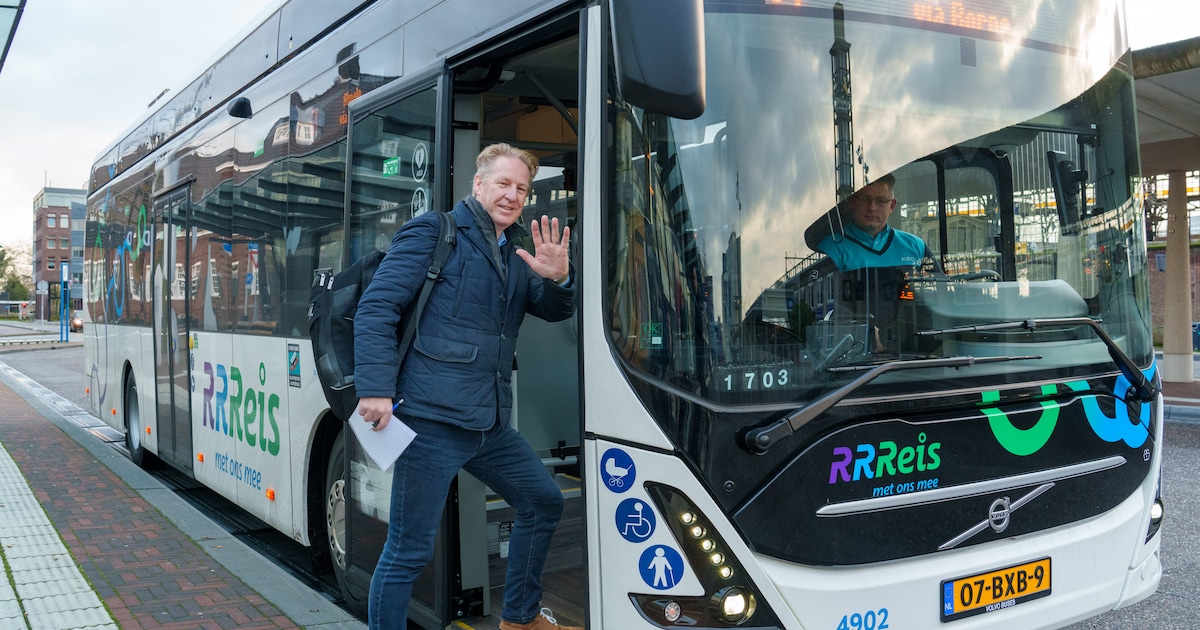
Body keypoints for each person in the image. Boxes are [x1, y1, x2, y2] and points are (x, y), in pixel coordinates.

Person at [353, 143, 581, 630]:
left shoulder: (517, 248)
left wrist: (560, 279)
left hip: (489, 421)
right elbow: (378, 307)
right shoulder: (436, 232)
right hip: (431, 421)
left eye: (521, 188)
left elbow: (553, 307)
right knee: (409, 550)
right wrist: (374, 388)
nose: (512, 195)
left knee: (543, 502)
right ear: (478, 184)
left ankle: (519, 618)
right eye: (503, 183)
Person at [817, 173, 937, 272]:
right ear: (852, 203)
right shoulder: (831, 248)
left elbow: (940, 294)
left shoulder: (917, 247)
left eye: (881, 201)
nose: (872, 208)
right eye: (865, 199)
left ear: (892, 206)